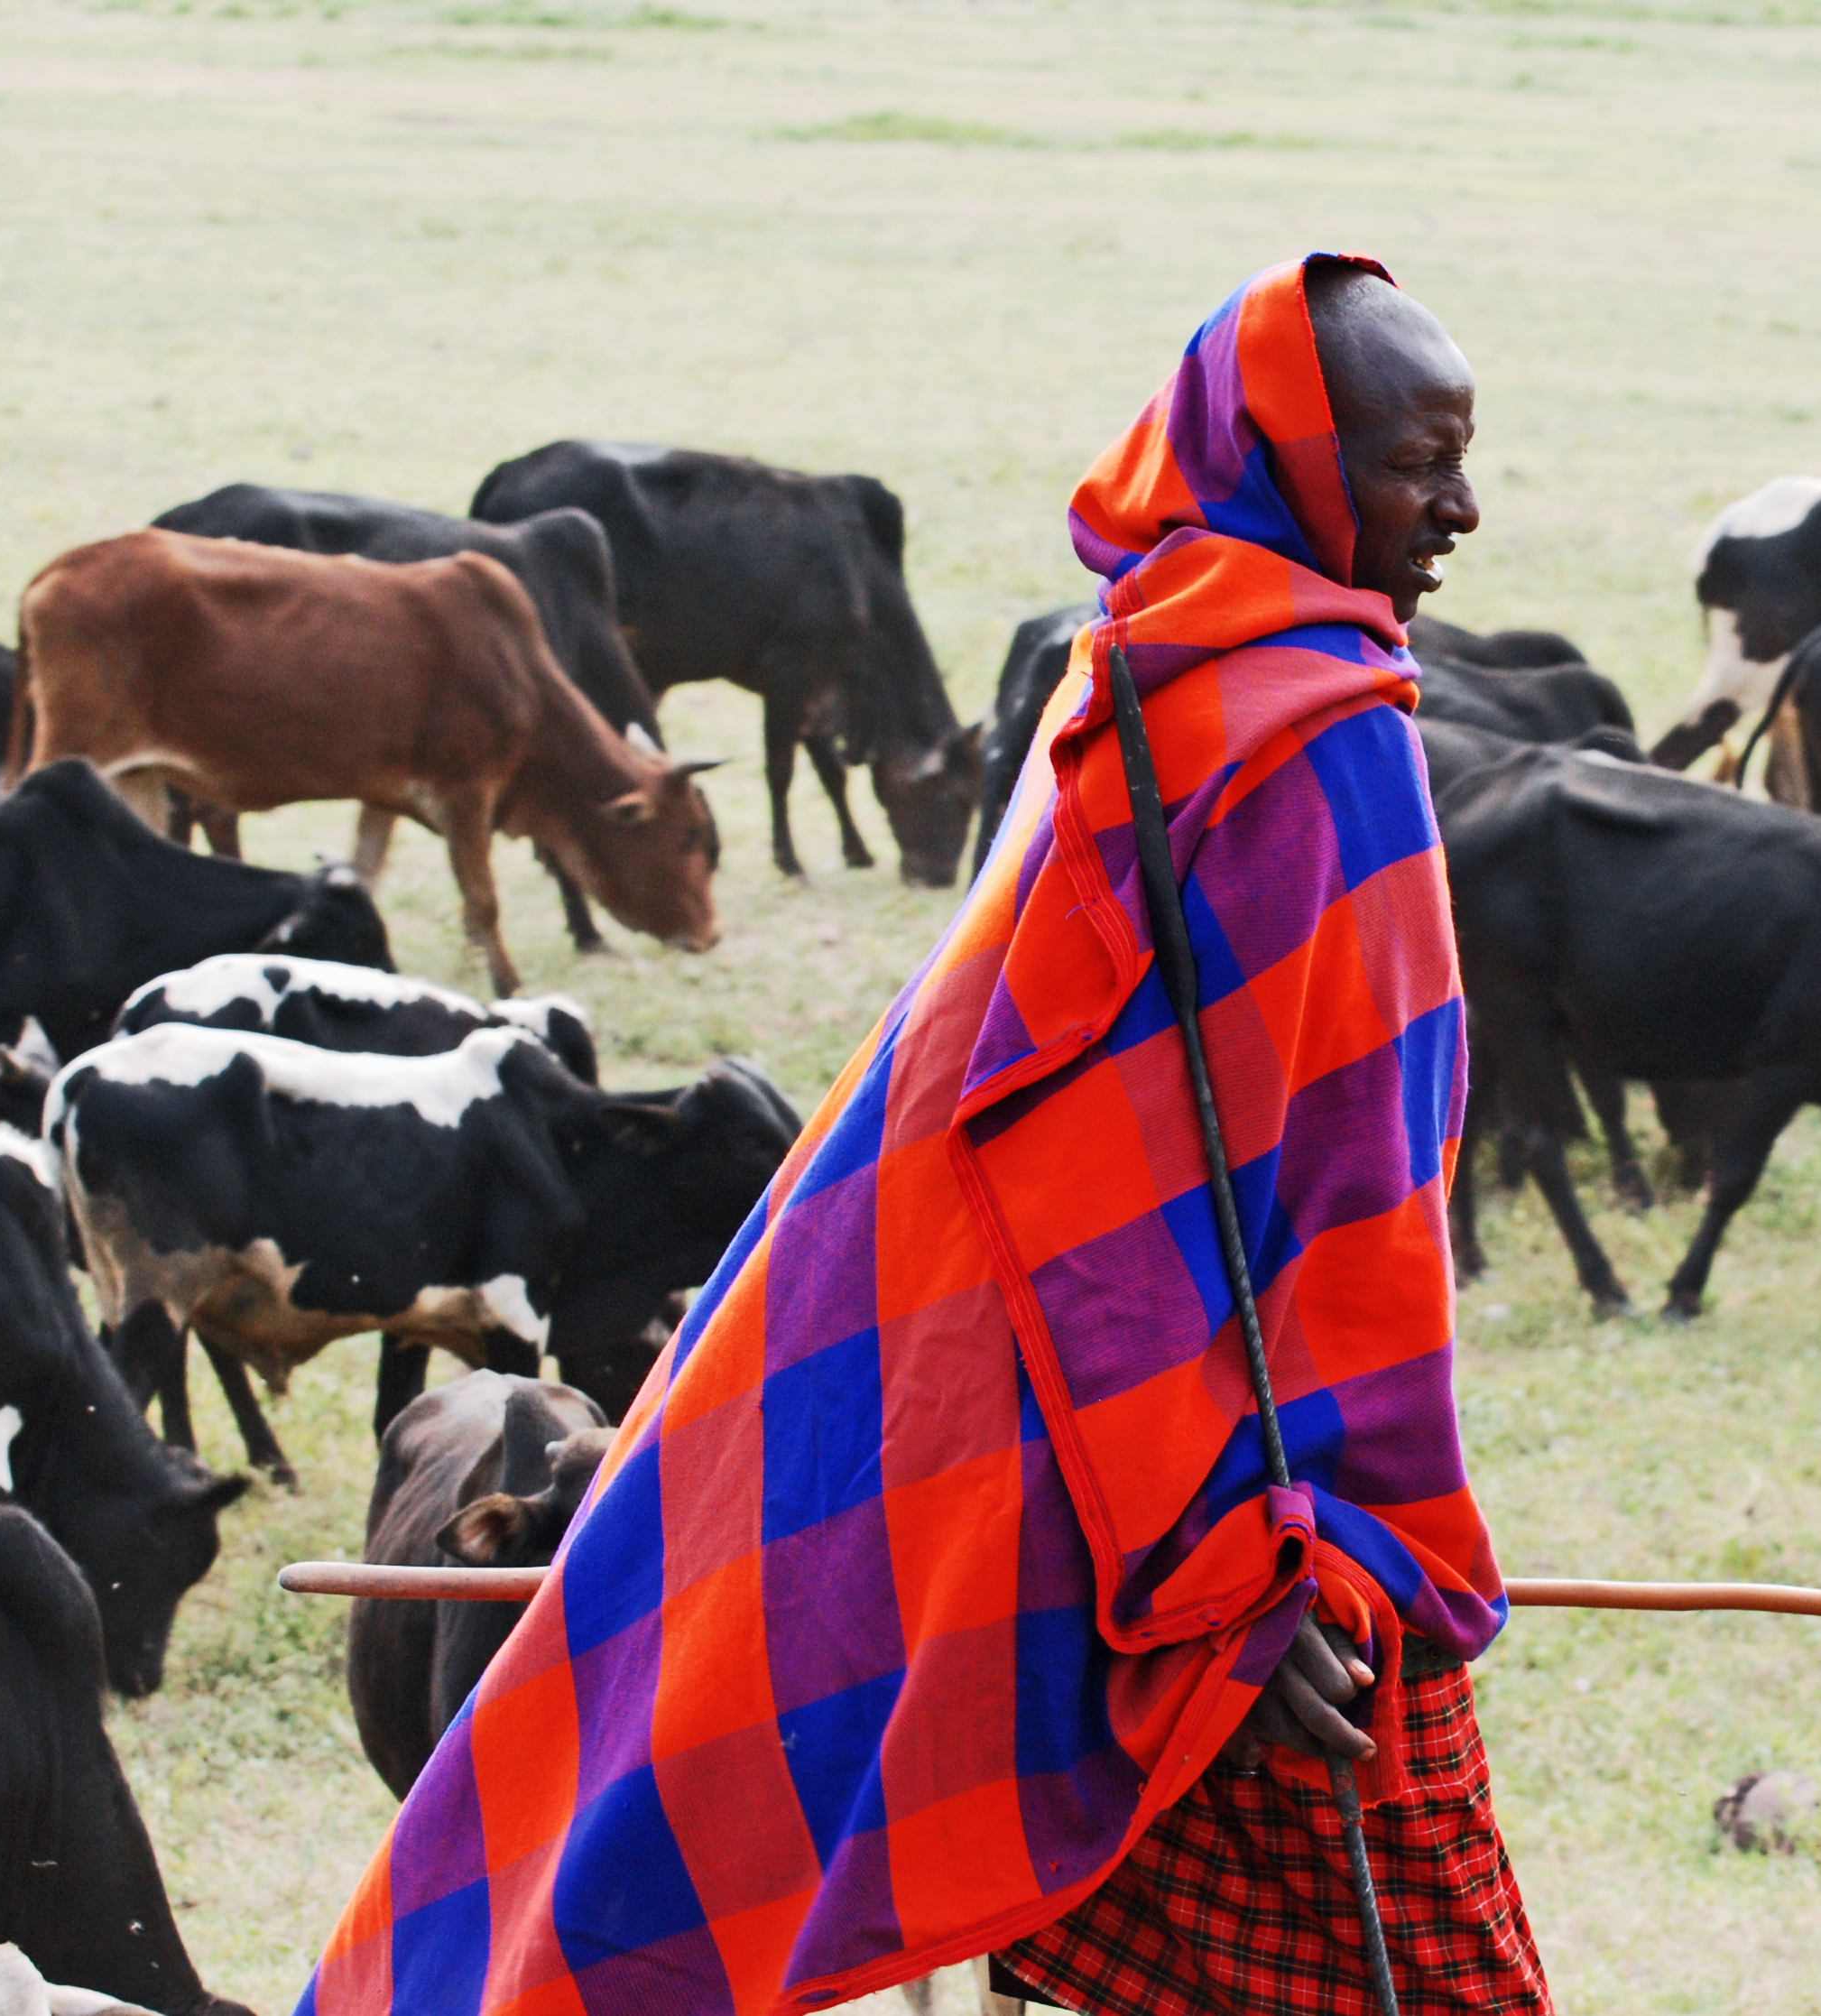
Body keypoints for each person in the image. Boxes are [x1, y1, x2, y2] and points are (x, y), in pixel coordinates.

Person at [297, 254, 1546, 2016]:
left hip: (1111, 1519)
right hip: (1279, 1553)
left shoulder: (1145, 685)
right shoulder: (1301, 745)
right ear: (1297, 463)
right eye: (1419, 463)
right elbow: (1215, 1198)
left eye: (1461, 457)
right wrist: (1238, 1575)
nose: (1461, 509)